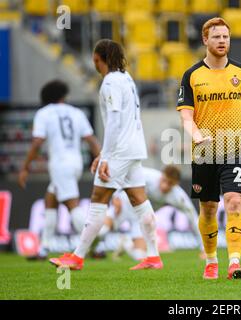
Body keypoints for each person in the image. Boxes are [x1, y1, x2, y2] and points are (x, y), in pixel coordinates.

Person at [49, 39, 162, 271]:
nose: (95, 66)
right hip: (134, 148)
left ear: (101, 59)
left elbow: (114, 121)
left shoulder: (110, 82)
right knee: (140, 201)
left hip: (119, 150)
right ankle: (153, 256)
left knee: (99, 198)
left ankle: (78, 257)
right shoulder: (127, 78)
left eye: (96, 61)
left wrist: (105, 156)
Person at [177, 17, 241, 280]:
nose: (222, 41)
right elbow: (186, 116)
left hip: (237, 150)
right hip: (205, 153)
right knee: (208, 208)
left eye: (226, 37)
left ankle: (234, 262)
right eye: (217, 37)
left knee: (234, 202)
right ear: (205, 40)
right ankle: (210, 260)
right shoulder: (192, 75)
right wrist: (196, 135)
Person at [18, 80, 101, 260]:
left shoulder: (44, 113)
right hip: (76, 162)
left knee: (72, 205)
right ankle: (44, 249)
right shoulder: (76, 112)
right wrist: (102, 160)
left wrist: (25, 167)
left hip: (60, 164)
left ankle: (96, 246)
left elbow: (37, 142)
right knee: (51, 201)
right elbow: (91, 140)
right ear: (64, 96)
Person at [96, 165, 203, 259]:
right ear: (162, 175)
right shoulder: (148, 175)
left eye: (170, 184)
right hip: (124, 204)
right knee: (101, 232)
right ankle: (91, 250)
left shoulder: (178, 196)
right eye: (164, 180)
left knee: (140, 256)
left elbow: (193, 218)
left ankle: (126, 244)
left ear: (176, 184)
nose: (165, 186)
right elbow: (124, 175)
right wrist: (115, 197)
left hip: (141, 218)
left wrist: (204, 249)